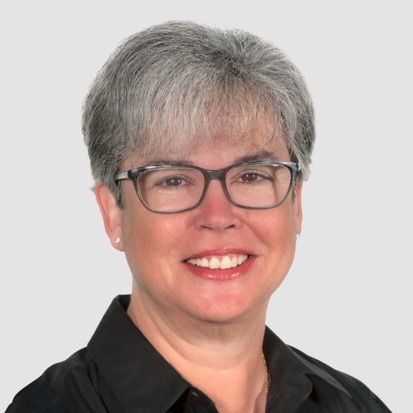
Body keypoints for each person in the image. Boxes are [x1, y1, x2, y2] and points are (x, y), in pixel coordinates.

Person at [6, 20, 391, 413]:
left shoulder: (355, 405)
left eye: (251, 176)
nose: (218, 216)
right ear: (113, 214)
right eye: (173, 180)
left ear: (295, 204)